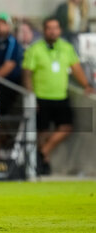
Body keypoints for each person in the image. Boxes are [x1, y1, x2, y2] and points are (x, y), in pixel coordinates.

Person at [22, 17, 94, 174]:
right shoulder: (35, 48)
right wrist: (30, 95)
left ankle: (43, 153)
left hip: (60, 96)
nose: (52, 31)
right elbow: (27, 73)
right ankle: (43, 162)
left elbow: (76, 69)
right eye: (49, 28)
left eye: (55, 28)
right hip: (41, 96)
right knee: (43, 131)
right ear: (44, 30)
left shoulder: (66, 48)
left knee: (67, 127)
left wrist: (86, 86)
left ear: (60, 30)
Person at [0, 12, 24, 115]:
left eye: (1, 24)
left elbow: (9, 65)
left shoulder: (12, 43)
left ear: (8, 25)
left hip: (7, 85)